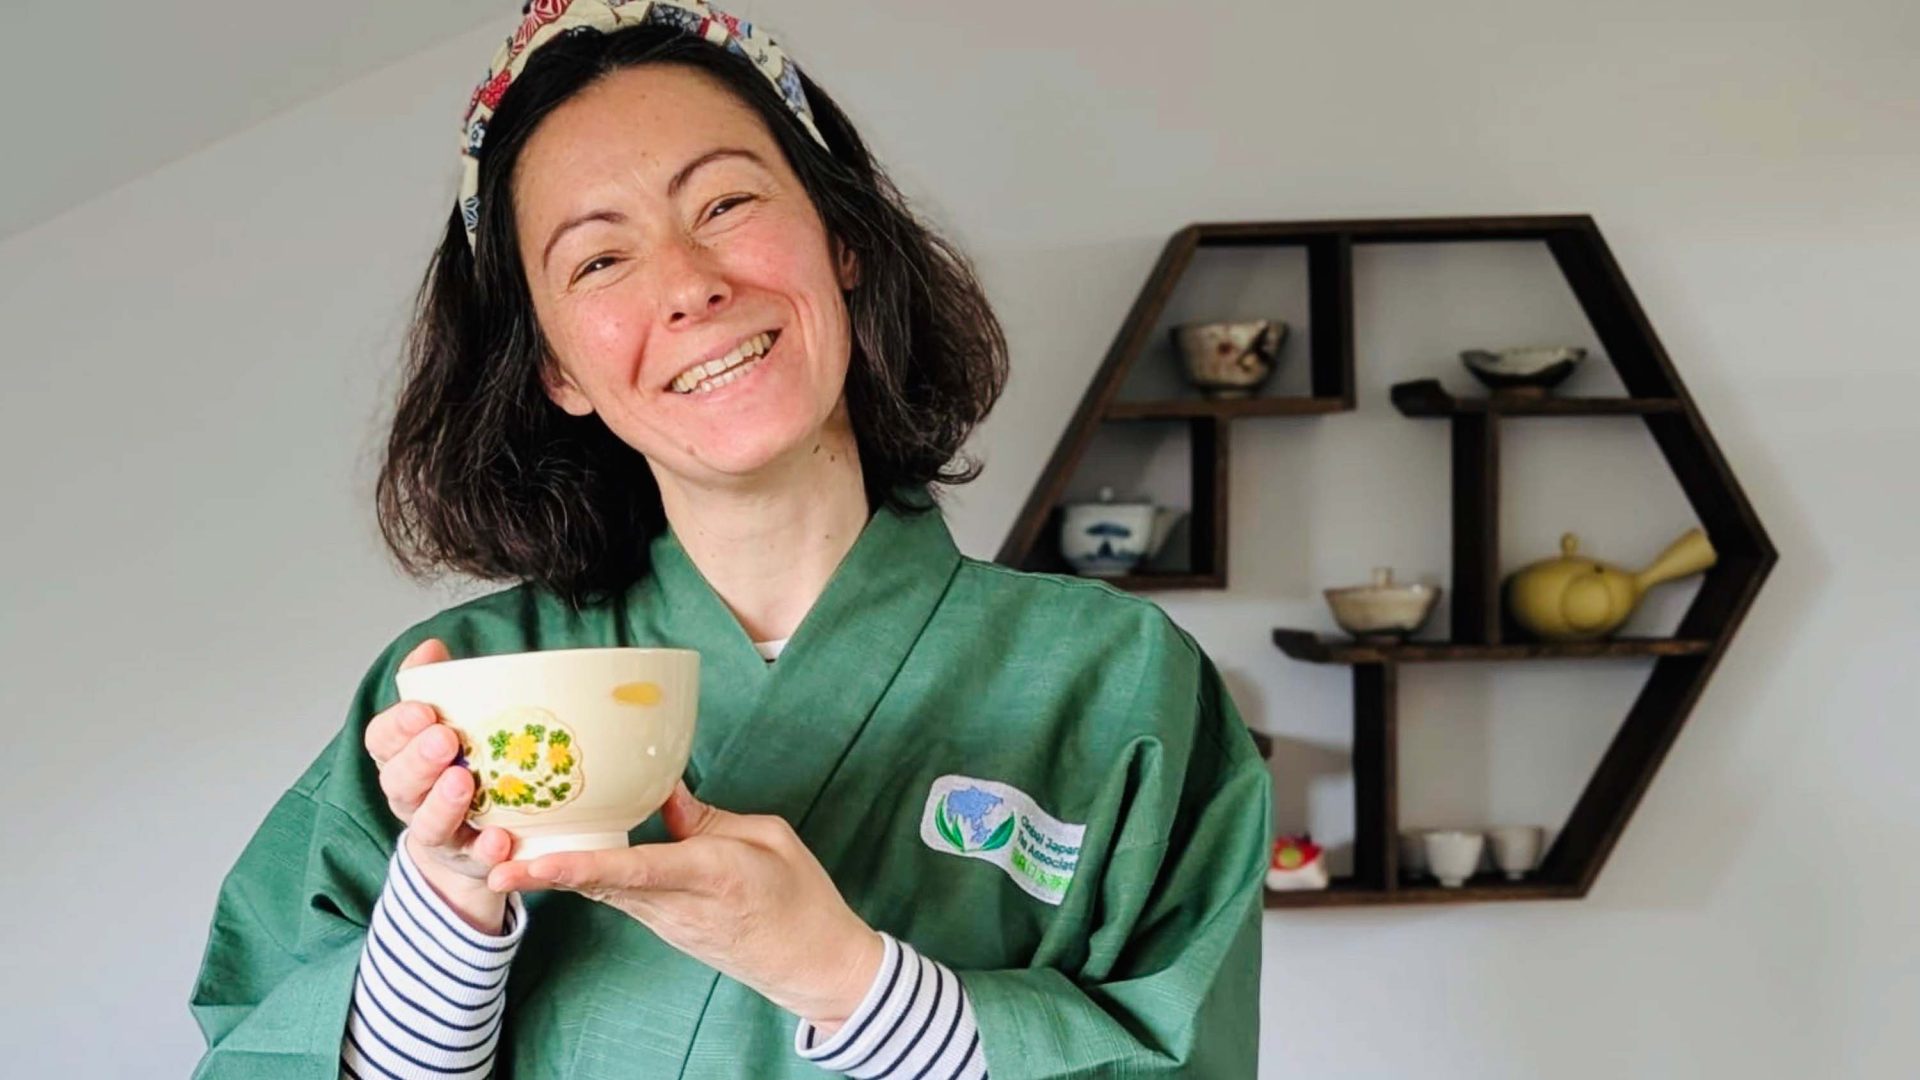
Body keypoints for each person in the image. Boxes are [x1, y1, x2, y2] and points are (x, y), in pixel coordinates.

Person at [187, 2, 1272, 1077]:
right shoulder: (462, 703)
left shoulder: (1123, 688)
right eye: (599, 262)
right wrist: (451, 903)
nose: (689, 284)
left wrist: (850, 981)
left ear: (841, 240)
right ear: (556, 370)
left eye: (725, 202)